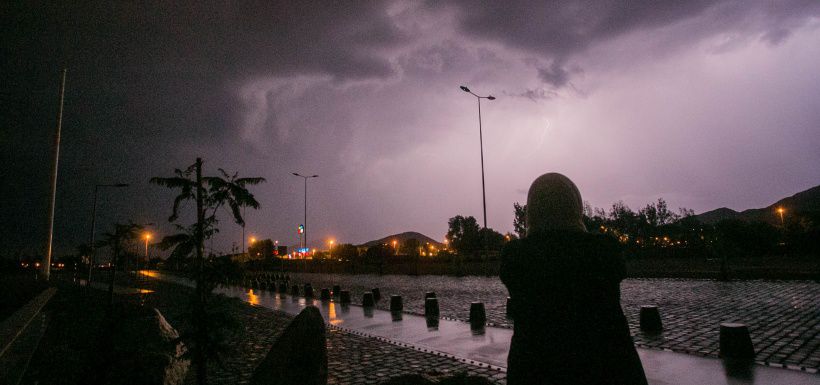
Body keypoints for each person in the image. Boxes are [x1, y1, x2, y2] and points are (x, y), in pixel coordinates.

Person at [501, 173, 647, 385]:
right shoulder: (601, 255)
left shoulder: (520, 261)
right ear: (574, 206)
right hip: (608, 366)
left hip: (535, 368)